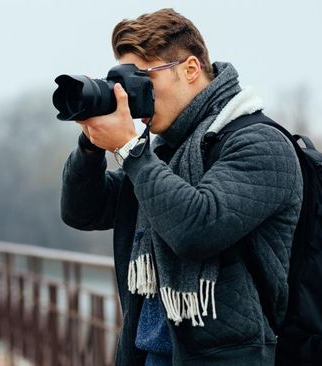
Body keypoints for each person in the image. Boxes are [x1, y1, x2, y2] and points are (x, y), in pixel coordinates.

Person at [60, 8, 303, 366]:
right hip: (150, 354)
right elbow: (82, 211)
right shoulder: (162, 153)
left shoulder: (260, 144)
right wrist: (91, 146)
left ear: (190, 69)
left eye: (143, 79)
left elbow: (196, 228)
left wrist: (130, 149)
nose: (136, 95)